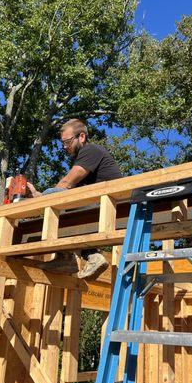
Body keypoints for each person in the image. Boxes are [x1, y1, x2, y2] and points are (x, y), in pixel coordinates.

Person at [27, 119, 123, 278]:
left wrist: (40, 199)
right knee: (62, 207)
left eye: (68, 142)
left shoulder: (91, 150)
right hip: (101, 204)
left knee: (56, 202)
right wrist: (38, 195)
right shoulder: (84, 159)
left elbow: (65, 184)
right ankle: (87, 257)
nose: (65, 147)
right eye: (63, 143)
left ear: (82, 137)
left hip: (112, 206)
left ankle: (67, 258)